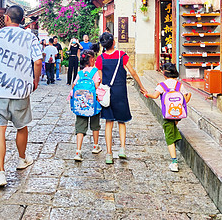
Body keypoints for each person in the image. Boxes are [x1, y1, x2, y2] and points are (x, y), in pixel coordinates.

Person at [0, 5, 43, 188]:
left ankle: (0, 173)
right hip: (21, 90)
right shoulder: (30, 36)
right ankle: (22, 159)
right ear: (21, 19)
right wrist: (35, 80)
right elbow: (38, 61)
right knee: (21, 126)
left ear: (6, 18)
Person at [95, 32, 147, 164]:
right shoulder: (121, 55)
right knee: (121, 121)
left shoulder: (100, 59)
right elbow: (133, 72)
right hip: (120, 92)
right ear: (113, 43)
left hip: (108, 93)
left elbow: (100, 78)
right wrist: (141, 86)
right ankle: (122, 149)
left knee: (108, 122)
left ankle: (108, 154)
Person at [143, 69, 191, 172]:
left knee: (169, 137)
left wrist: (146, 94)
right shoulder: (179, 85)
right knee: (172, 127)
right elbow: (185, 100)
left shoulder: (162, 85)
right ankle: (175, 135)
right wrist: (188, 97)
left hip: (168, 115)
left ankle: (174, 162)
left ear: (165, 74)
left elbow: (155, 96)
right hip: (178, 115)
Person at [69, 49, 103, 161]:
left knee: (80, 127)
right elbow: (97, 86)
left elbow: (74, 86)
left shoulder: (80, 73)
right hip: (93, 104)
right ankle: (95, 146)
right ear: (92, 59)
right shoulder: (95, 71)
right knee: (95, 125)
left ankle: (78, 151)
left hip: (81, 104)